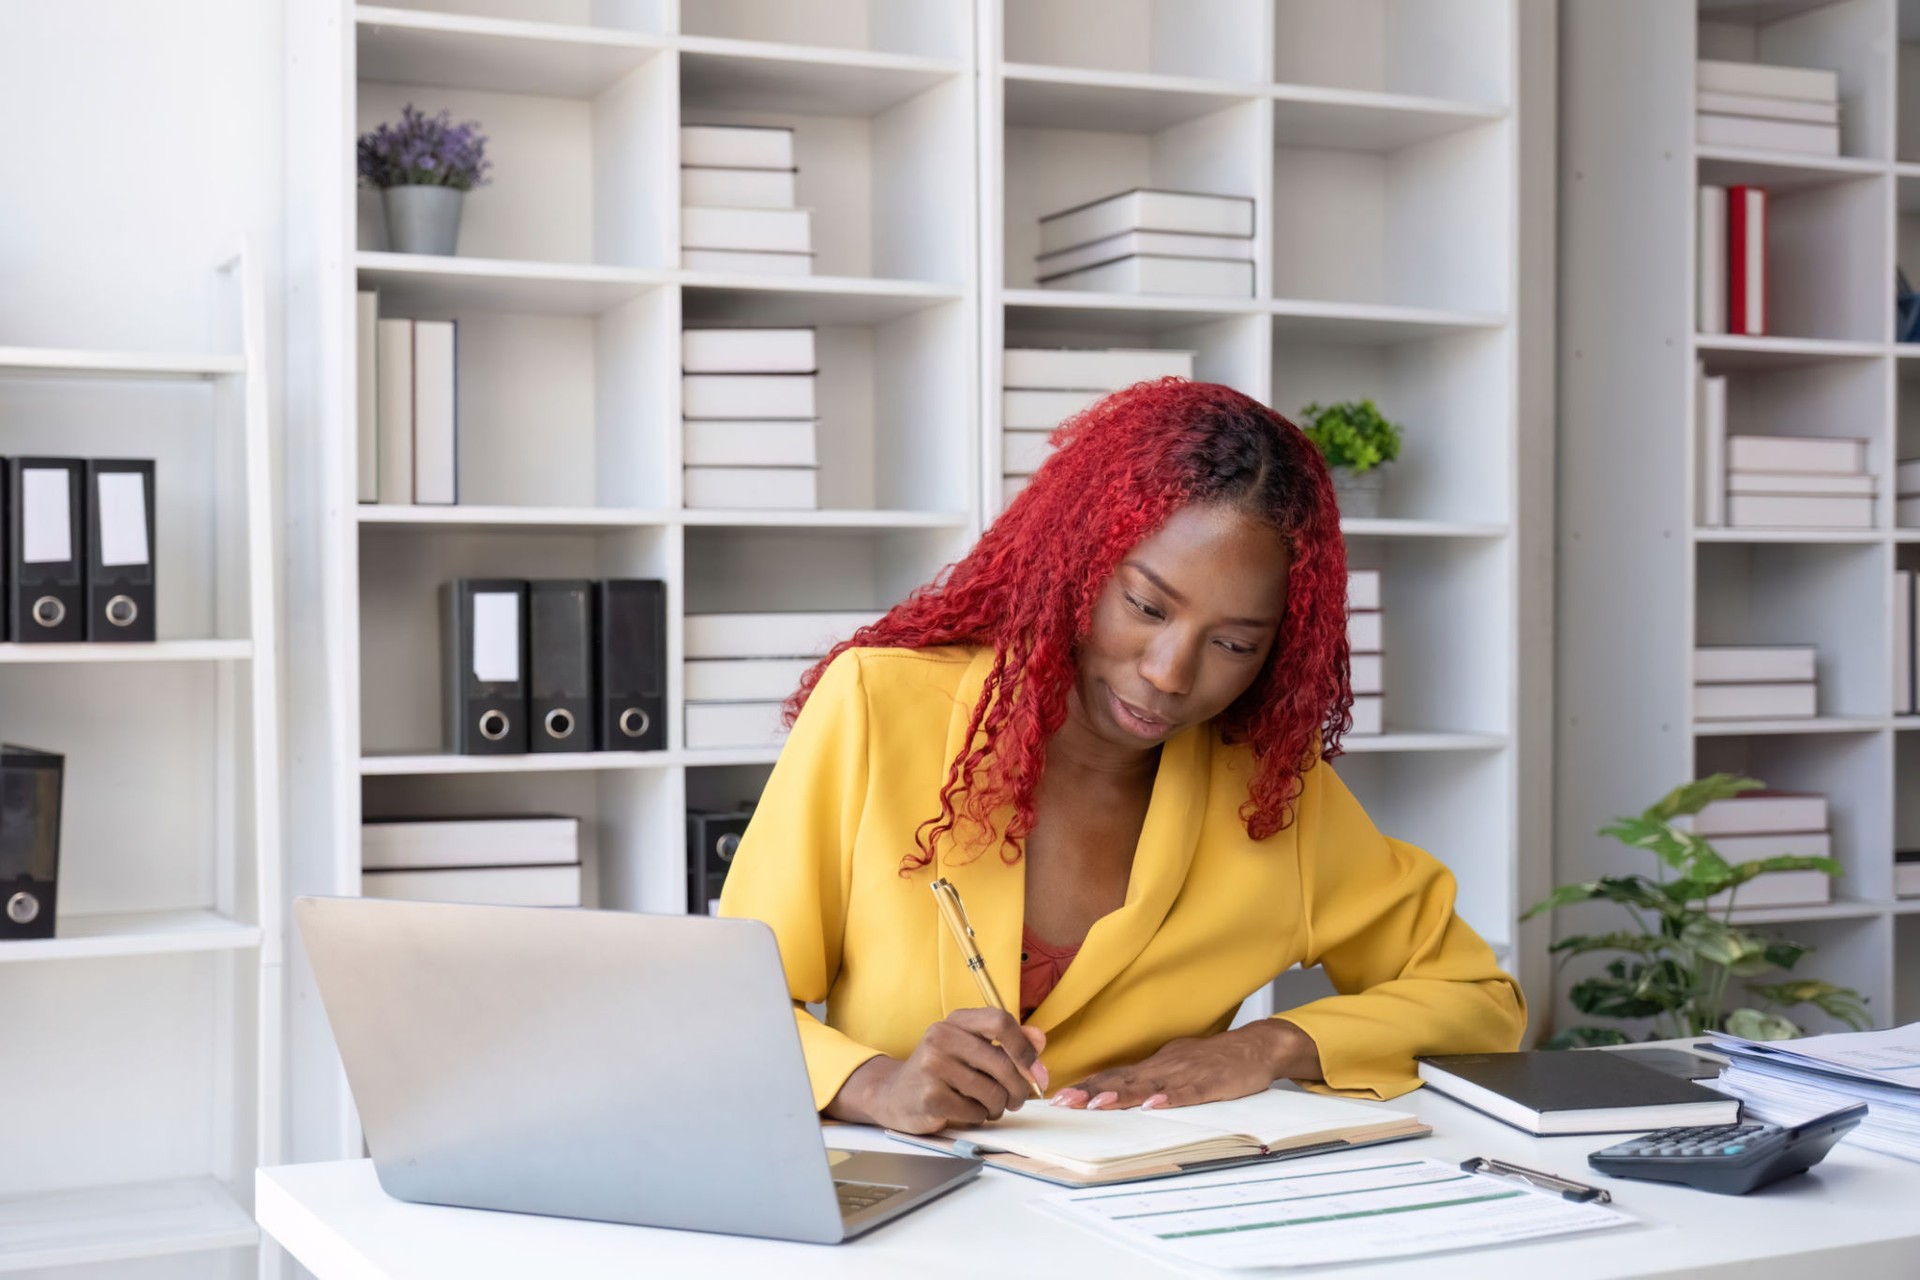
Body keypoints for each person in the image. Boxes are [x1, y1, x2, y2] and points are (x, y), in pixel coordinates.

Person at [718, 379, 1524, 1137]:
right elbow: (728, 1006)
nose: (1170, 672)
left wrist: (1267, 1045)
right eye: (1146, 606)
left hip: (1148, 1225)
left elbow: (1477, 998)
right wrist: (874, 1085)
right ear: (1078, 565)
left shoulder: (1273, 792)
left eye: (1235, 643)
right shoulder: (877, 708)